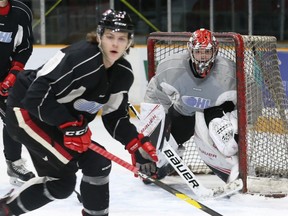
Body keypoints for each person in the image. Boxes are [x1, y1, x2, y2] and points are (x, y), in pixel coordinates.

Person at [0, 9, 158, 216]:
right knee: (82, 169)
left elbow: (114, 116)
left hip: (54, 120)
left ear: (129, 42)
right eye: (110, 36)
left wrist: (135, 143)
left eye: (122, 38)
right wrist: (69, 125)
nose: (115, 43)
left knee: (75, 178)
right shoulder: (80, 58)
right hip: (25, 111)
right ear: (99, 36)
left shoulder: (123, 74)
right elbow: (35, 96)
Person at [142, 28, 239, 183]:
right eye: (199, 51)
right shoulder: (171, 68)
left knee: (225, 137)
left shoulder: (229, 72)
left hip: (213, 117)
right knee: (155, 165)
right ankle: (165, 162)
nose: (202, 56)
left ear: (215, 52)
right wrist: (151, 134)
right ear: (190, 51)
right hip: (184, 116)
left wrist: (238, 128)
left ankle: (233, 168)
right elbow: (155, 97)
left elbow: (246, 100)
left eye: (207, 52)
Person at [0, 0, 35, 186]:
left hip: (3, 75)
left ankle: (13, 163)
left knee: (13, 120)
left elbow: (24, 48)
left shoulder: (21, 12)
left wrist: (13, 75)